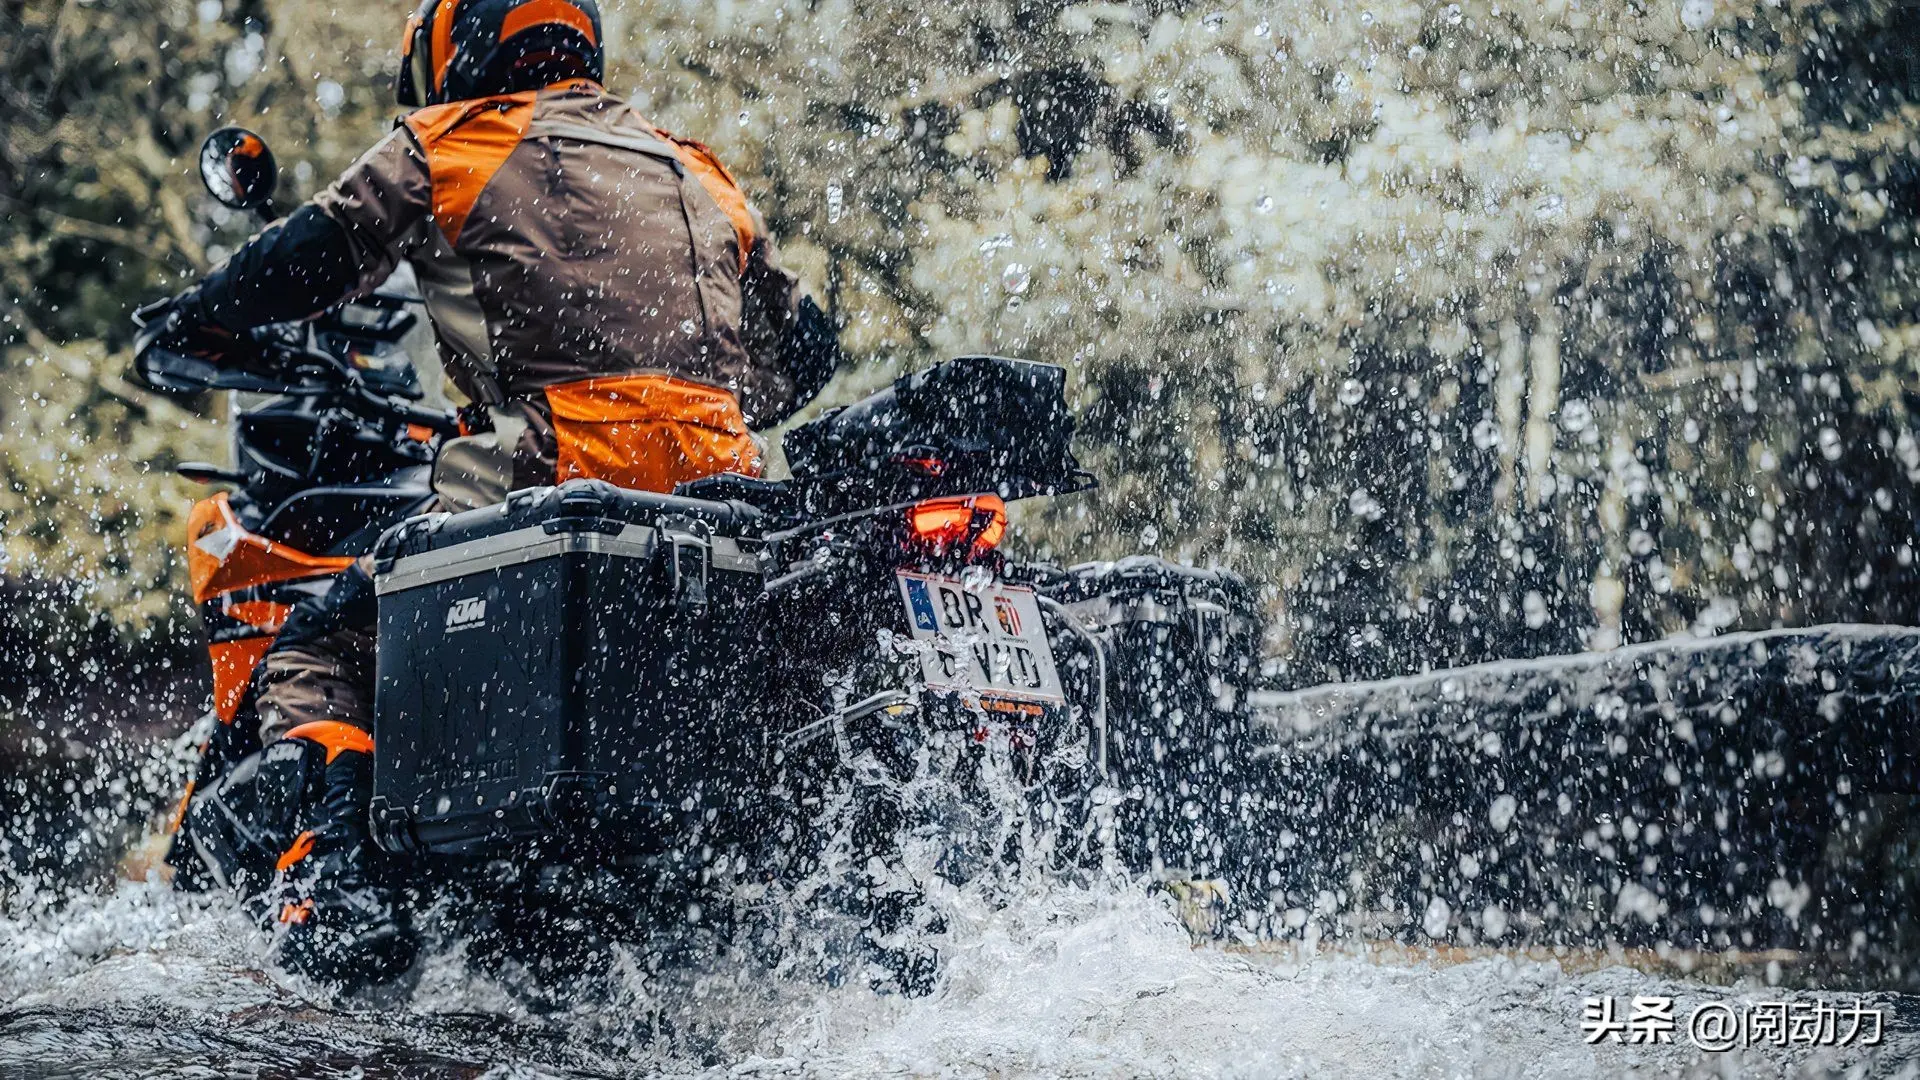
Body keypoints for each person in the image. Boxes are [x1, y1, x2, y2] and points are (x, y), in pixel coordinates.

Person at [141, 0, 842, 981]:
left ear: (462, 50)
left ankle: (335, 890)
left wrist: (193, 324)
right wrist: (710, 405)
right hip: (723, 513)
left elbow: (310, 254)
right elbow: (809, 354)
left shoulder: (454, 140)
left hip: (559, 490)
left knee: (316, 645)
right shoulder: (695, 164)